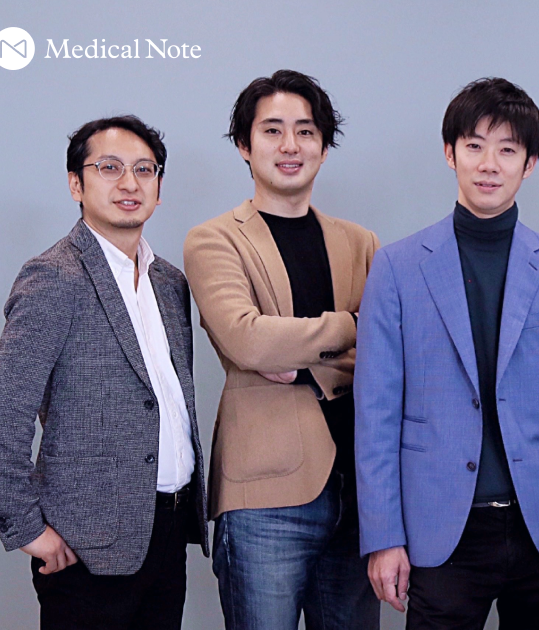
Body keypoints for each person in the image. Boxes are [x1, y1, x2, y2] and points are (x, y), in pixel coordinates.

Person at [355, 77, 539, 630]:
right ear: (450, 153)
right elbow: (375, 414)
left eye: (508, 150)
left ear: (530, 163)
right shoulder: (397, 268)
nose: (489, 164)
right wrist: (383, 537)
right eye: (474, 146)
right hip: (439, 528)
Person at [0, 115, 206, 629]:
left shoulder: (170, 282)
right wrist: (28, 529)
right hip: (86, 544)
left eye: (144, 169)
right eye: (110, 167)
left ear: (159, 187)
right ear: (76, 184)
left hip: (168, 532)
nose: (130, 183)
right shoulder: (54, 277)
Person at [183, 69, 380, 629]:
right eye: (272, 130)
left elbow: (391, 348)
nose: (290, 145)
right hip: (264, 497)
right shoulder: (214, 239)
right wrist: (351, 327)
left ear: (323, 146)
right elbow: (247, 338)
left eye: (306, 131)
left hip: (359, 490)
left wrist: (297, 359)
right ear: (244, 145)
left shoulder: (361, 242)